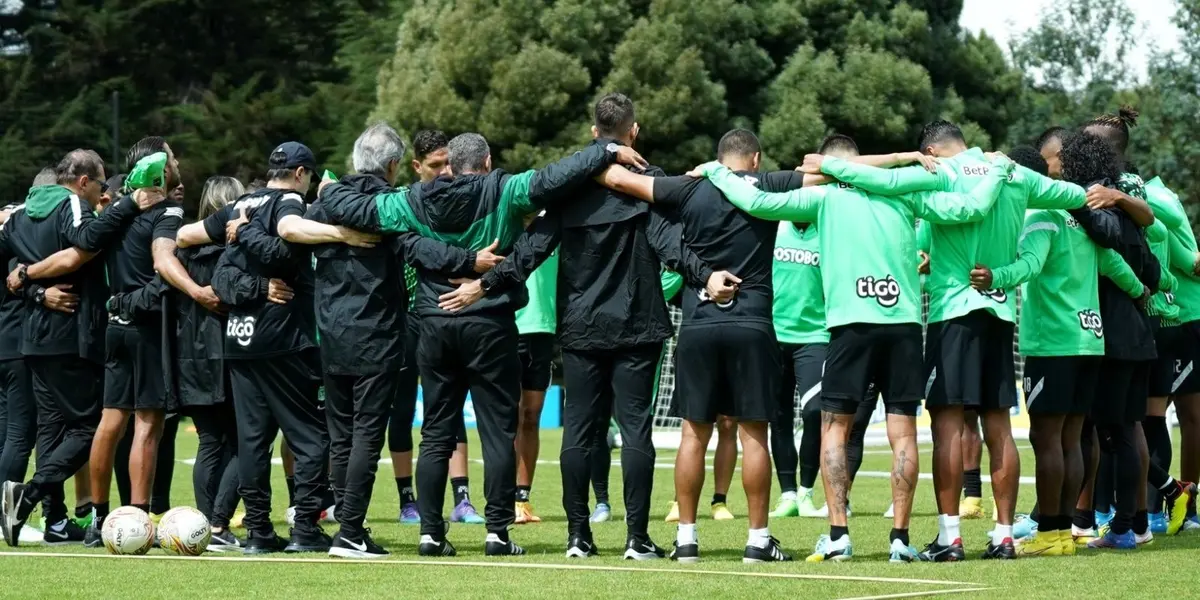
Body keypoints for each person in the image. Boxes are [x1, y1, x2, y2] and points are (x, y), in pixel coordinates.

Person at [319, 130, 650, 557]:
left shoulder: (411, 200)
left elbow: (345, 206)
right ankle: (497, 533)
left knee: (436, 433)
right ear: (488, 161)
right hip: (490, 324)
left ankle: (431, 534)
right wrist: (604, 150)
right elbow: (557, 176)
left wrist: (329, 190)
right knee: (497, 433)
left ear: (452, 166)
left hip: (435, 324)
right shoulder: (506, 190)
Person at [698, 139, 1012, 563]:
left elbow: (754, 201)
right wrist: (996, 171)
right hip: (901, 324)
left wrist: (715, 171)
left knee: (835, 428)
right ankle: (900, 539)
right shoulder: (904, 193)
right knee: (903, 432)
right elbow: (968, 209)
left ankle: (839, 536)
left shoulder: (823, 196)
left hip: (849, 325)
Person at [439, 98, 721, 561]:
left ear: (594, 133)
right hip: (637, 327)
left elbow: (528, 251)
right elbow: (673, 246)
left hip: (581, 329)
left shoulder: (569, 194)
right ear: (634, 131)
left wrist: (481, 286)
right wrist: (706, 276)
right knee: (635, 432)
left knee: (579, 434)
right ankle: (636, 538)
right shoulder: (646, 185)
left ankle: (578, 536)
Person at [808, 121, 1100, 561]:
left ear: (932, 150)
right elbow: (1074, 196)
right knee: (998, 427)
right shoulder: (1014, 173)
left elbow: (872, 178)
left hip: (954, 312)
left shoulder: (942, 173)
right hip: (1001, 314)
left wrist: (859, 164)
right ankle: (1003, 535)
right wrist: (1114, 195)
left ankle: (950, 537)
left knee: (947, 426)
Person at [177, 141, 377, 554]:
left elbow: (184, 235)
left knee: (252, 441)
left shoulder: (240, 204)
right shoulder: (289, 201)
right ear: (302, 173)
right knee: (309, 437)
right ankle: (305, 527)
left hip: (240, 339)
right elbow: (287, 246)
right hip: (283, 338)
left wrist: (239, 238)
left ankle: (258, 533)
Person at [970, 131, 1149, 556]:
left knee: (1047, 438)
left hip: (1054, 342)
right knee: (1072, 439)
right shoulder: (1078, 217)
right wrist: (1142, 292)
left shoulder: (1043, 217)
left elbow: (1030, 265)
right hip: (1091, 341)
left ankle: (1050, 532)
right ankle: (1064, 531)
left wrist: (995, 277)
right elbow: (1114, 265)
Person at [308, 123, 482, 559]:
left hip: (330, 332)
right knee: (367, 433)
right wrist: (470, 261)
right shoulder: (388, 205)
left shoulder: (325, 203)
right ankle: (349, 530)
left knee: (342, 435)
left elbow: (290, 230)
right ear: (392, 165)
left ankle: (348, 526)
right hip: (377, 332)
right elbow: (419, 249)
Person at [0, 149, 167, 546]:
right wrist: (126, 205)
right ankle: (28, 494)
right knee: (95, 426)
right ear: (82, 181)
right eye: (98, 185)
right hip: (72, 334)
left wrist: (32, 287)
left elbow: (9, 268)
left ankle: (54, 520)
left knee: (52, 430)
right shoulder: (72, 203)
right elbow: (85, 241)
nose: (99, 196)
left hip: (33, 338)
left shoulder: (20, 214)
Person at [83, 138, 199, 545]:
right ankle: (139, 520)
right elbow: (163, 268)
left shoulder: (118, 210)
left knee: (111, 422)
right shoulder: (168, 211)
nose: (177, 161)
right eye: (171, 157)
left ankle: (99, 520)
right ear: (159, 169)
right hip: (146, 327)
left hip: (114, 326)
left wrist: (126, 203)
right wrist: (139, 302)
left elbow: (87, 239)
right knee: (147, 426)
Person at [767, 135, 875, 521]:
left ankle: (809, 491)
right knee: (777, 416)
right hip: (773, 335)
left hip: (815, 337)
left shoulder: (829, 222)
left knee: (815, 413)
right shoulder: (773, 223)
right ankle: (787, 494)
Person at [389, 129, 487, 527]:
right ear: (416, 167)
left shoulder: (464, 200)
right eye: (435, 165)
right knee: (400, 411)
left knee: (447, 408)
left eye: (449, 162)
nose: (446, 171)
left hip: (446, 314)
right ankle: (406, 499)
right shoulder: (406, 205)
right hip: (405, 320)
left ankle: (462, 498)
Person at [177, 175, 255, 551]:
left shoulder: (185, 252)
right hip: (233, 352)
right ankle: (220, 524)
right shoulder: (237, 249)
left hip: (192, 355)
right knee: (247, 442)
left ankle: (205, 529)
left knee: (210, 443)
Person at [512, 214, 556, 525]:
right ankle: (501, 496)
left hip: (543, 332)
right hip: (507, 329)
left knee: (531, 417)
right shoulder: (505, 228)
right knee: (506, 418)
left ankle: (522, 497)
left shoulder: (554, 230)